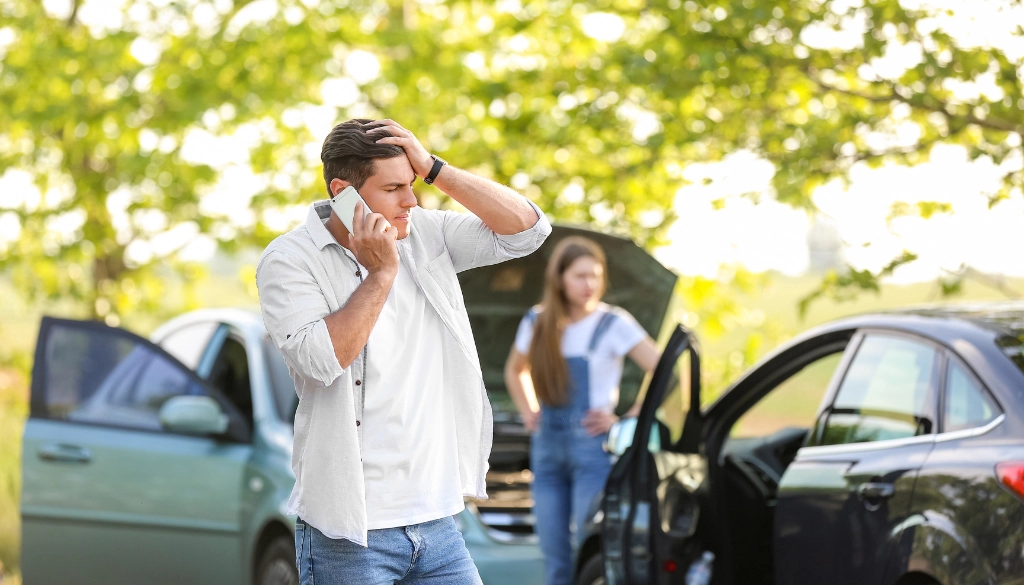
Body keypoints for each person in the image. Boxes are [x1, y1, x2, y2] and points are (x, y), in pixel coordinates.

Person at [256, 118, 551, 584]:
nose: (410, 200)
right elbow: (321, 361)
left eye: (413, 184)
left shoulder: (426, 232)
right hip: (350, 534)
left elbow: (527, 231)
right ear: (342, 191)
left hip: (439, 523)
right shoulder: (289, 261)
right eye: (394, 187)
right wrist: (379, 276)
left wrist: (435, 169)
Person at [504, 236, 661, 585]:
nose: (589, 284)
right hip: (546, 451)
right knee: (554, 552)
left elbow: (664, 370)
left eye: (595, 275)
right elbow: (516, 370)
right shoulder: (538, 321)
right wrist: (529, 411)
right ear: (559, 278)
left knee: (588, 548)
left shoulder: (614, 323)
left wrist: (630, 416)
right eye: (580, 276)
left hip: (594, 452)